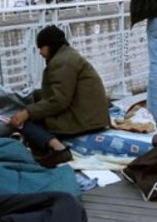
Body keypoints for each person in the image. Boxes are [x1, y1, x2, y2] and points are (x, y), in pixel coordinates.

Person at [9, 25, 110, 167]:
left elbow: (59, 101)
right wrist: (32, 97)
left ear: (50, 45)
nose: (40, 52)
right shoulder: (67, 56)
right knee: (34, 113)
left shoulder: (62, 62)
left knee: (26, 123)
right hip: (90, 115)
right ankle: (45, 149)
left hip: (85, 121)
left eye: (41, 47)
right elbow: (58, 92)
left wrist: (27, 112)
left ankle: (59, 149)